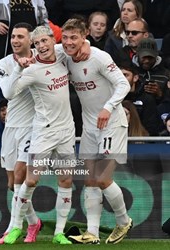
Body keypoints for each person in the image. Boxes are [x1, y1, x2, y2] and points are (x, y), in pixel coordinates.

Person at [4, 25, 84, 245]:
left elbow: (81, 44)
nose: (41, 46)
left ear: (52, 40)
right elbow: (8, 93)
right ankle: (16, 227)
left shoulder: (61, 53)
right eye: (36, 43)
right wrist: (18, 70)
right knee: (31, 180)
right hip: (43, 132)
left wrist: (84, 43)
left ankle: (59, 232)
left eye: (44, 41)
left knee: (66, 179)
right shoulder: (31, 69)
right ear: (33, 45)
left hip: (67, 130)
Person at [61, 18, 132, 244]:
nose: (69, 42)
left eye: (74, 38)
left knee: (102, 178)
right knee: (89, 180)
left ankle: (123, 221)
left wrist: (108, 107)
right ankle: (92, 233)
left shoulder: (100, 57)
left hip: (111, 122)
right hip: (89, 126)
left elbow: (124, 84)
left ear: (85, 37)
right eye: (65, 37)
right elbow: (43, 48)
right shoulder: (64, 54)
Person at [0, 22, 41, 245]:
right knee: (13, 184)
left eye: (21, 37)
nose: (15, 40)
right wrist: (19, 67)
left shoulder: (42, 59)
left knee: (22, 176)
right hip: (11, 126)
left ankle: (14, 226)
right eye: (13, 36)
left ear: (30, 40)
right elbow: (7, 93)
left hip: (33, 127)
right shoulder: (3, 63)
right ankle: (33, 222)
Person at [120, 63, 163, 135]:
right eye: (118, 75)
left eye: (125, 75)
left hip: (141, 140)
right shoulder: (112, 97)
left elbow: (151, 128)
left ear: (135, 78)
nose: (121, 78)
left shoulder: (146, 99)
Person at [132, 37, 170, 105]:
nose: (147, 61)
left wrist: (159, 94)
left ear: (156, 56)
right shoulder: (129, 72)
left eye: (150, 57)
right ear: (137, 55)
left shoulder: (166, 74)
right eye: (144, 57)